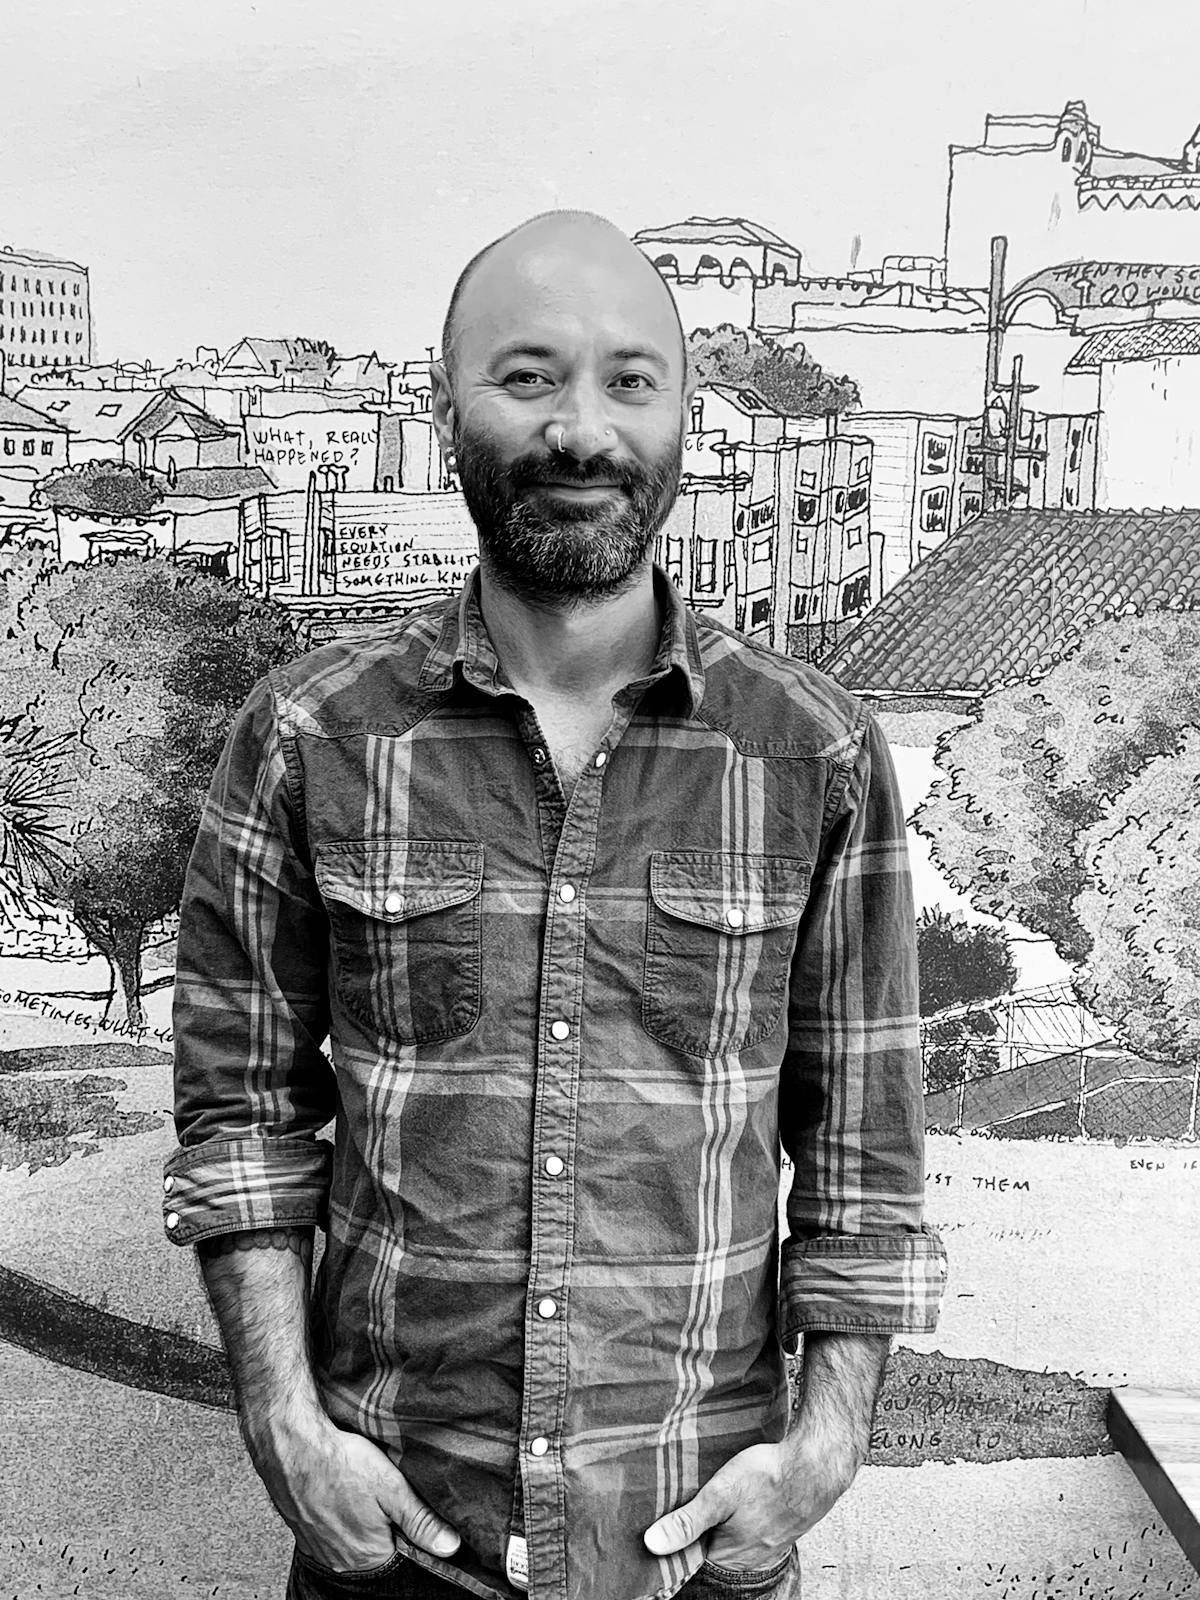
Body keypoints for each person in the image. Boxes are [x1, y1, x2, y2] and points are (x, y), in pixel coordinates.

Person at [164, 210, 946, 1600]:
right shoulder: (306, 738)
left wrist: (821, 1453)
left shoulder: (812, 753)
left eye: (629, 380)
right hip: (394, 1543)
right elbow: (243, 1122)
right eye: (527, 377)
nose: (582, 428)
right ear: (444, 403)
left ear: (684, 418)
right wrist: (286, 1433)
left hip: (698, 1549)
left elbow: (863, 1155)